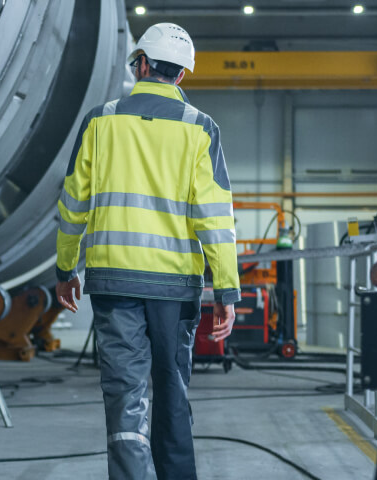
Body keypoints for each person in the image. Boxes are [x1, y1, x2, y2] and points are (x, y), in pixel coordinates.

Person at [54, 22, 239, 480]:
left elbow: (73, 203)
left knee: (125, 395)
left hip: (114, 283)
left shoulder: (99, 122)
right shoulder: (201, 129)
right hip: (176, 288)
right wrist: (227, 291)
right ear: (181, 76)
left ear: (139, 65)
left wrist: (65, 269)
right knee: (172, 392)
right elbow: (216, 219)